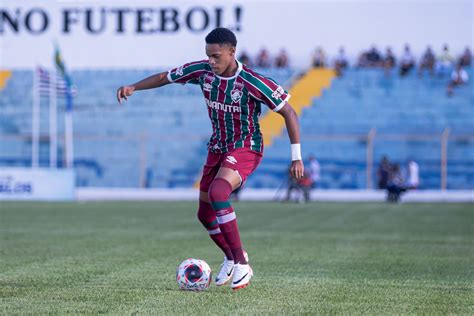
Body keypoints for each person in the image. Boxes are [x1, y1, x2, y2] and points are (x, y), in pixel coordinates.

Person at [116, 27, 304, 290]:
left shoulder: (252, 81)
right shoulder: (203, 72)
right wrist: (133, 87)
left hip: (245, 146)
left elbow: (290, 113)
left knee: (218, 192)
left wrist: (296, 157)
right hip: (217, 147)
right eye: (209, 56)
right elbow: (165, 77)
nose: (212, 62)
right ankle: (230, 257)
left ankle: (242, 264)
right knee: (204, 215)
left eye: (217, 56)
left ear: (232, 52)